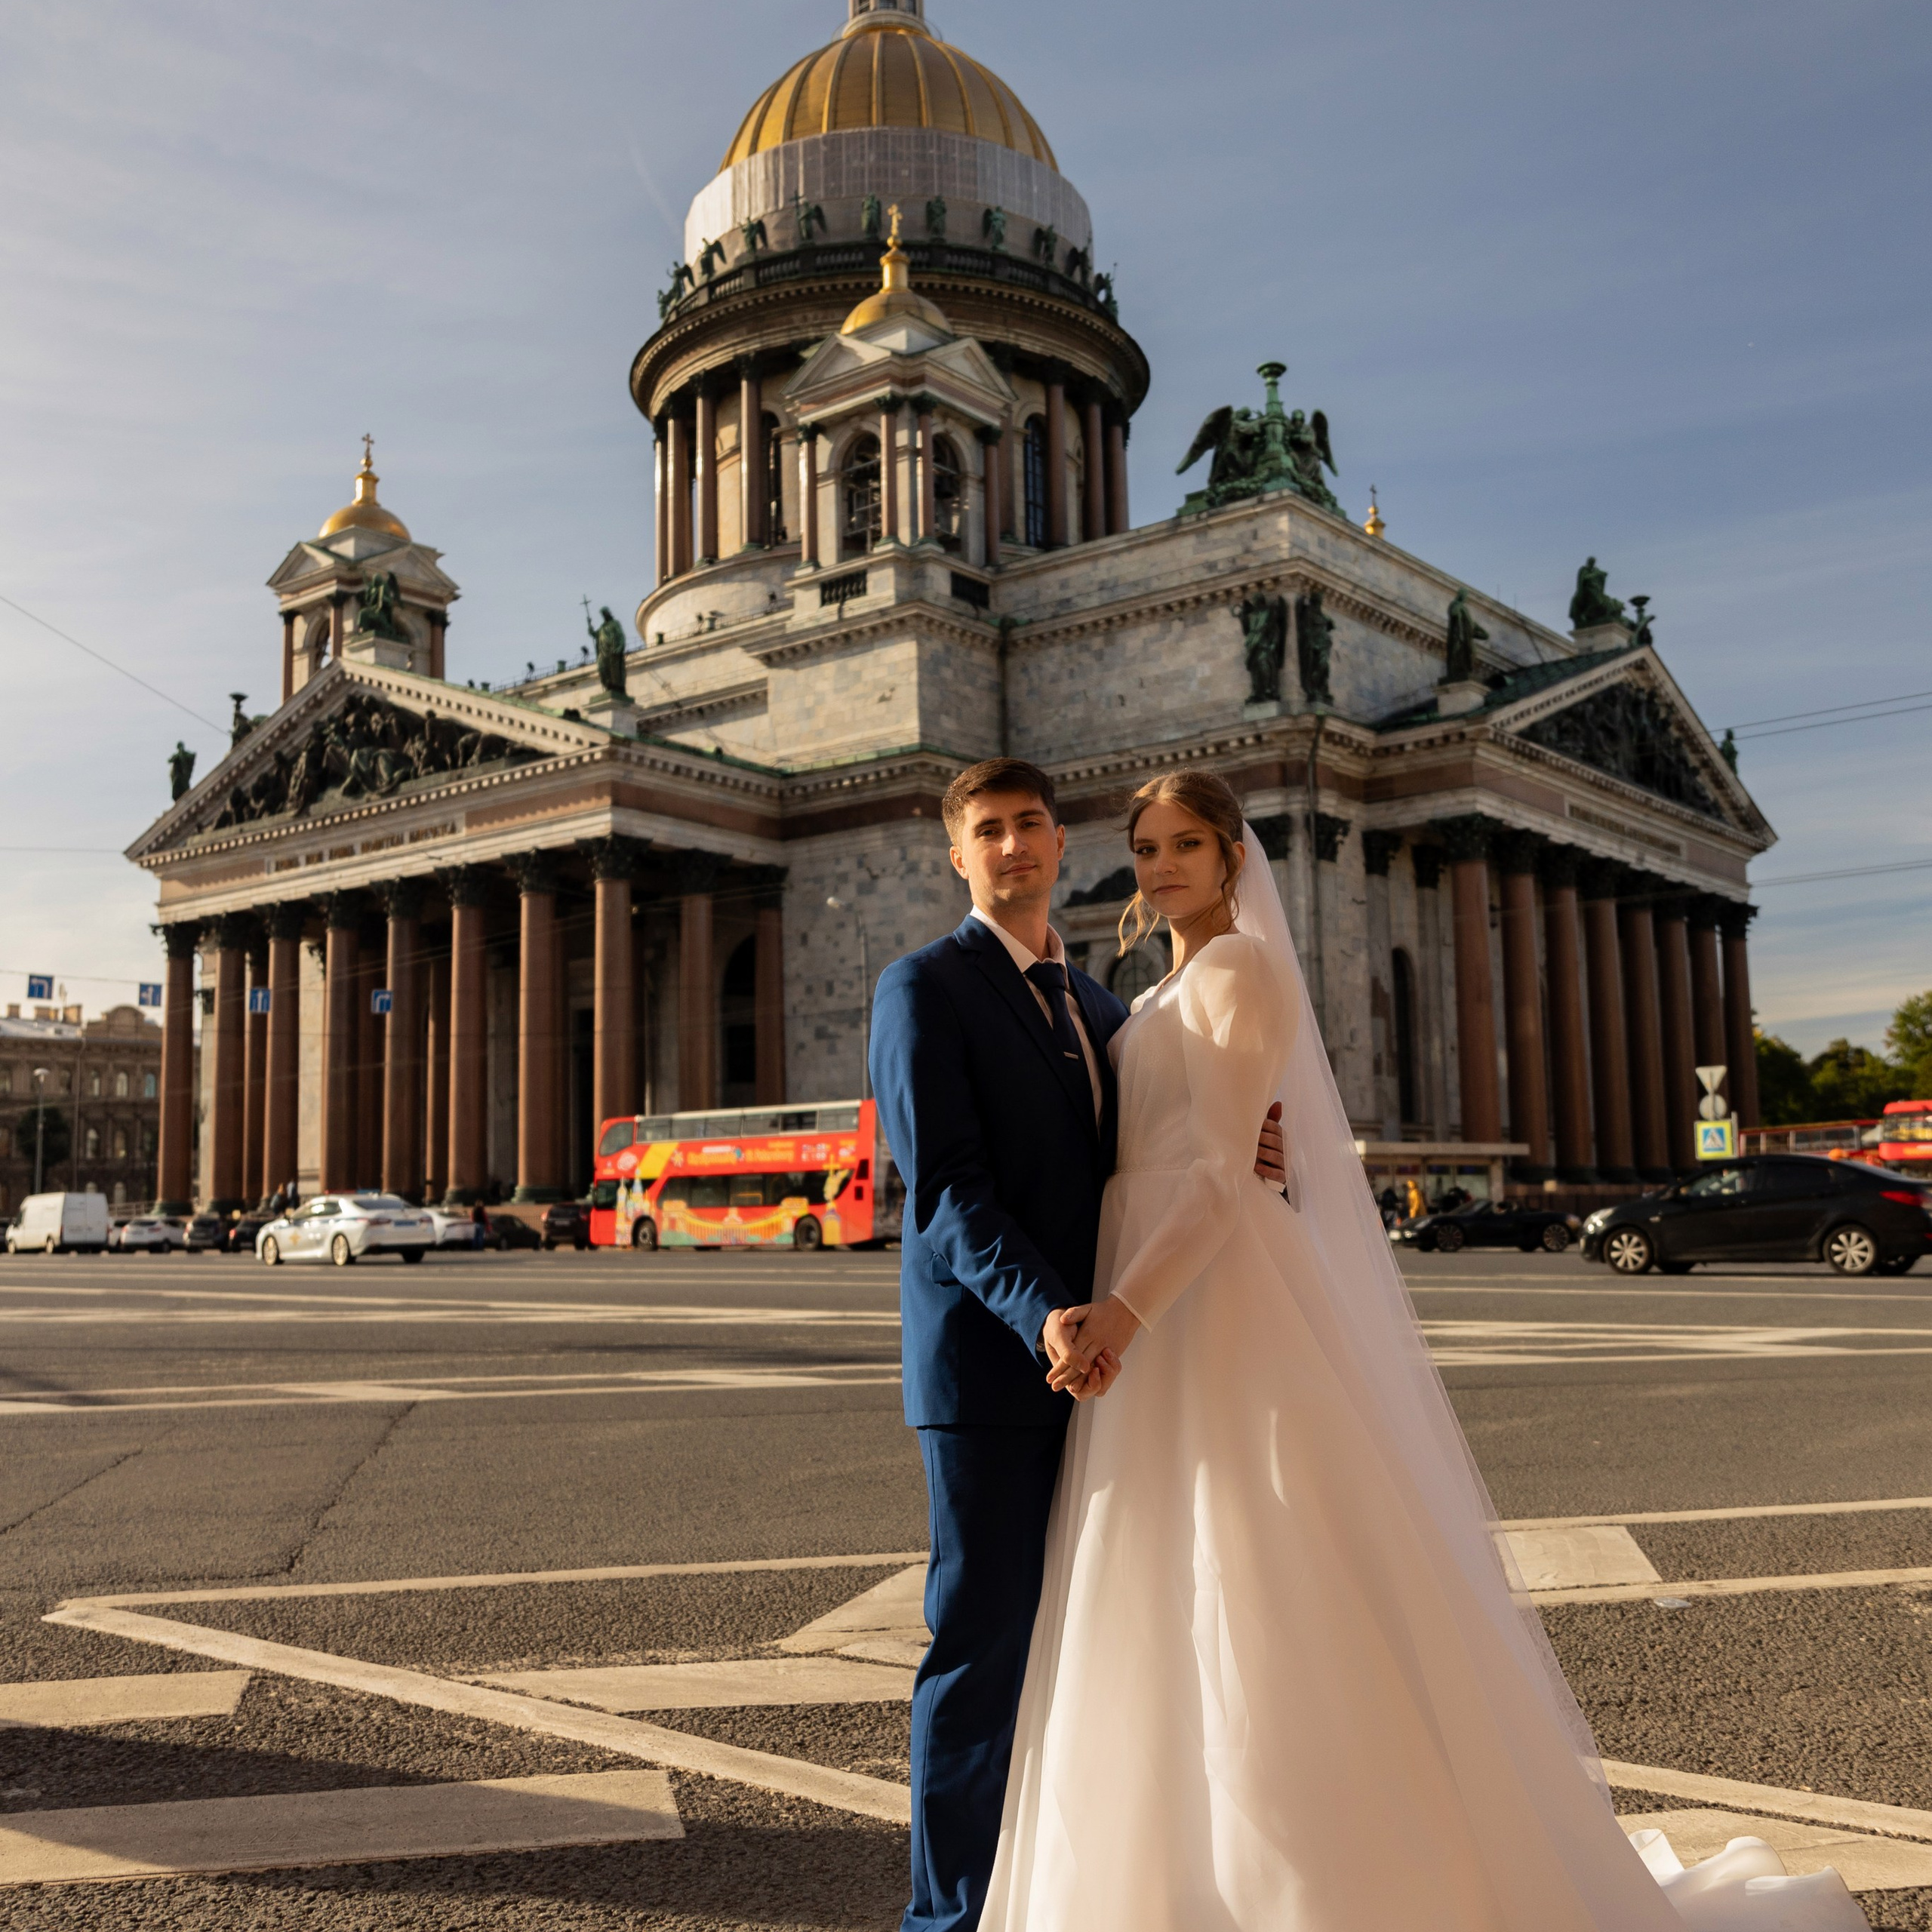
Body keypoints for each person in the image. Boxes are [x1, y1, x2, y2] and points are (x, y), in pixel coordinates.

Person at [979, 768, 1866, 1932]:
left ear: (1237, 855)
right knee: (1182, 1566)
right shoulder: (1153, 985)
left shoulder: (1240, 967)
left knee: (1250, 1565)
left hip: (1200, 1293)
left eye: (1188, 843)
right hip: (1163, 1287)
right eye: (1146, 848)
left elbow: (1214, 1174)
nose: (1161, 867)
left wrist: (1124, 1312)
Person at [869, 758, 1286, 1932]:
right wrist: (1047, 1313)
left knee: (1105, 1638)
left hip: (1117, 1372)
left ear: (1060, 846)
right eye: (987, 831)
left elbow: (1173, 1148)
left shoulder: (1107, 1007)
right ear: (958, 856)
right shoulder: (922, 988)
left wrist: (1257, 1147)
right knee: (982, 1649)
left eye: (1031, 826)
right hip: (1000, 1368)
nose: (1012, 847)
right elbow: (947, 1194)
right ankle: (945, 1919)